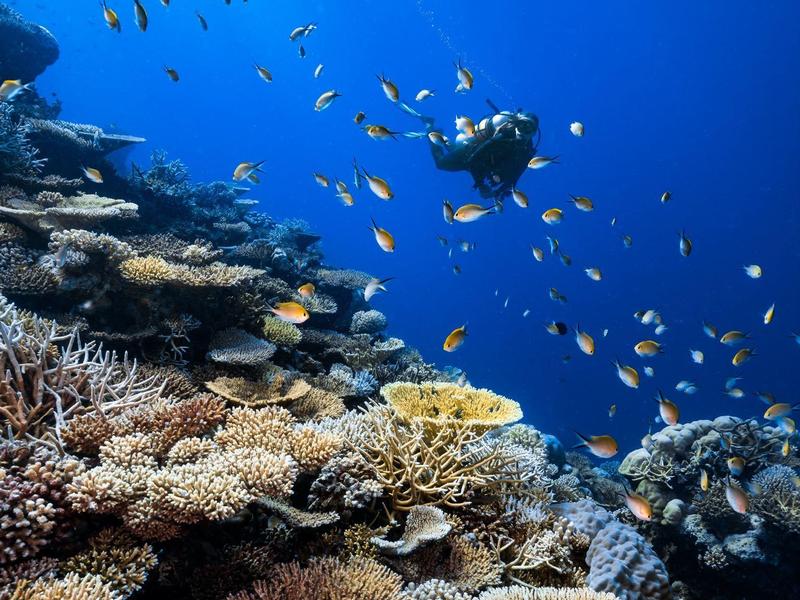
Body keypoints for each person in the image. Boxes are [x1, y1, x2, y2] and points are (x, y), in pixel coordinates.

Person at [422, 100, 540, 199]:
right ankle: (431, 129)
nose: (524, 131)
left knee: (454, 150)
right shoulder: (504, 134)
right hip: (470, 153)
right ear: (516, 123)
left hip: (484, 164)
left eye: (529, 129)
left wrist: (500, 192)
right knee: (441, 163)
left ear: (534, 133)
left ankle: (444, 141)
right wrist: (480, 185)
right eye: (522, 125)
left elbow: (515, 176)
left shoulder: (527, 150)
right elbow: (473, 160)